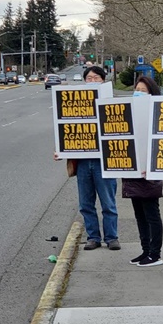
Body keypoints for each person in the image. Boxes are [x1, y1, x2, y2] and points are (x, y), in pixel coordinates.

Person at [54, 66, 120, 251]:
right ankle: (93, 237)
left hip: (103, 162)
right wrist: (61, 150)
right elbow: (66, 130)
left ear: (104, 80)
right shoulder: (75, 106)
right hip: (83, 162)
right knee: (86, 204)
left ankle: (112, 237)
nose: (92, 81)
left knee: (108, 203)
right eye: (89, 78)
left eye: (96, 77)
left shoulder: (111, 104)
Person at [124, 76, 163, 267]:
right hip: (132, 171)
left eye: (143, 90)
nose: (138, 92)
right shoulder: (129, 113)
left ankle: (155, 253)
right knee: (139, 213)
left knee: (151, 213)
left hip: (148, 172)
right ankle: (145, 250)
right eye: (137, 89)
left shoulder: (156, 114)